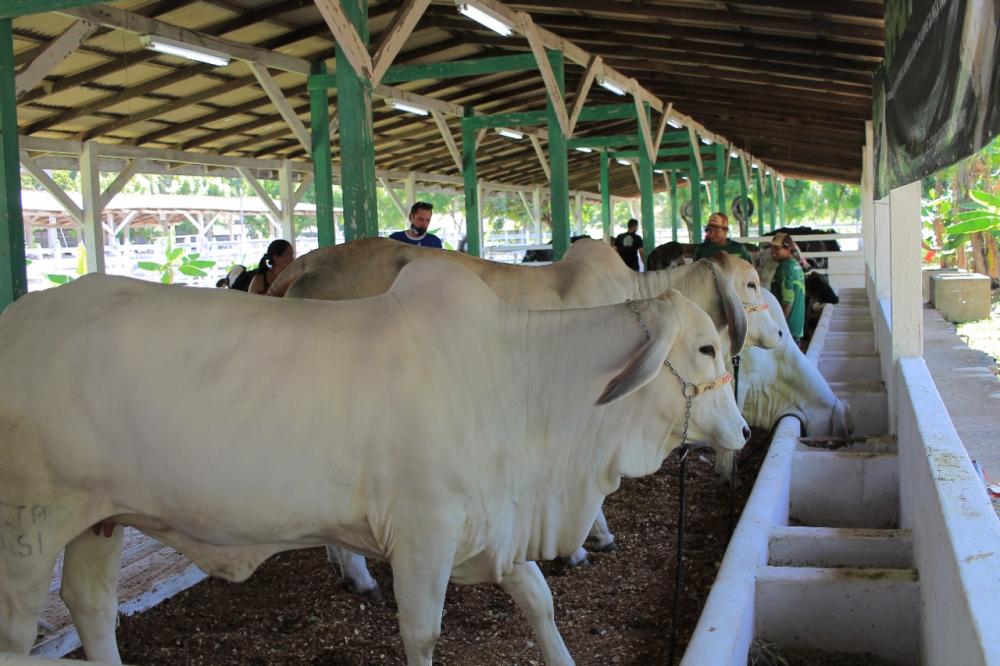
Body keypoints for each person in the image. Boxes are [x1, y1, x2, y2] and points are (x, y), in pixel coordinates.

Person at [769, 231, 806, 344]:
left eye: (777, 249)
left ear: (788, 249)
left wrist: (779, 325)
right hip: (796, 328)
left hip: (786, 329)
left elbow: (788, 299)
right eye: (773, 248)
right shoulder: (795, 265)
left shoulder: (785, 268)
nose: (773, 252)